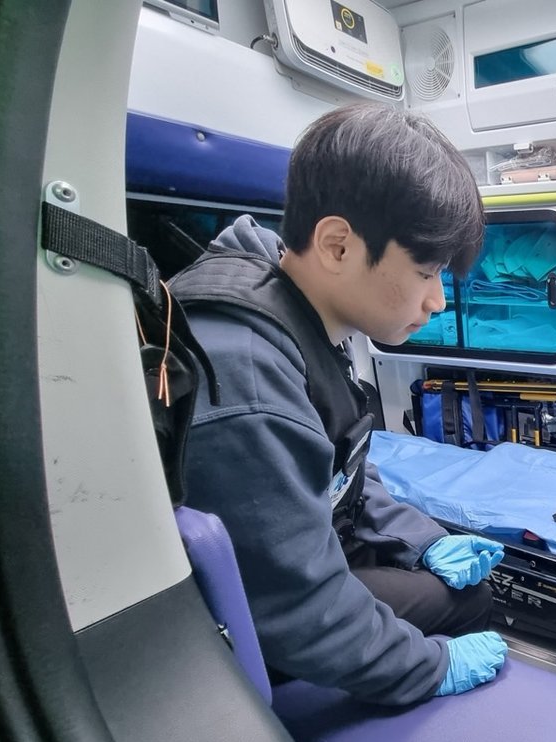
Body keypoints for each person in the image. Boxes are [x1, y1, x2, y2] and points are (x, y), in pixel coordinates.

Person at [170, 104, 507, 706]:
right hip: (243, 620)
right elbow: (300, 604)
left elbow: (336, 464)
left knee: (443, 579)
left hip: (306, 555)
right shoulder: (247, 379)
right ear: (337, 246)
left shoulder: (300, 310)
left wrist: (421, 538)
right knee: (471, 602)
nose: (437, 301)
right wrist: (428, 668)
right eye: (425, 272)